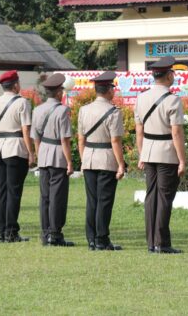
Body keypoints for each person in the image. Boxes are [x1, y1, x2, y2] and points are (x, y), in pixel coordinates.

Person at [135, 56, 186, 254]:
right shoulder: (173, 99)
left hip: (148, 150)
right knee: (164, 198)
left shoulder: (141, 97)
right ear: (168, 75)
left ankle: (151, 242)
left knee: (151, 197)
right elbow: (176, 132)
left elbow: (139, 130)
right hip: (166, 152)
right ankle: (162, 243)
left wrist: (141, 154)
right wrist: (182, 159)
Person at [77, 71, 126, 251]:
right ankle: (102, 239)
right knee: (104, 200)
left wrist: (84, 160)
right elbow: (115, 141)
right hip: (106, 159)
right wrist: (121, 164)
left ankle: (91, 238)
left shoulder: (84, 110)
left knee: (92, 200)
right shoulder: (114, 112)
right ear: (109, 90)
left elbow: (80, 139)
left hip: (89, 158)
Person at [0, 70, 35, 243]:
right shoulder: (22, 102)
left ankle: (1, 229)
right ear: (15, 85)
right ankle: (11, 231)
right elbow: (25, 130)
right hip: (15, 148)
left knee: (2, 191)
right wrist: (30, 152)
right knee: (14, 192)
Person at [31, 73, 74, 247]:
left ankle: (45, 232)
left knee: (45, 196)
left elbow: (35, 137)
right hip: (57, 154)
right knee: (58, 196)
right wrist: (70, 161)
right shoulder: (63, 110)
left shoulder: (37, 109)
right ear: (58, 93)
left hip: (44, 153)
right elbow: (65, 139)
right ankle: (55, 234)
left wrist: (39, 155)